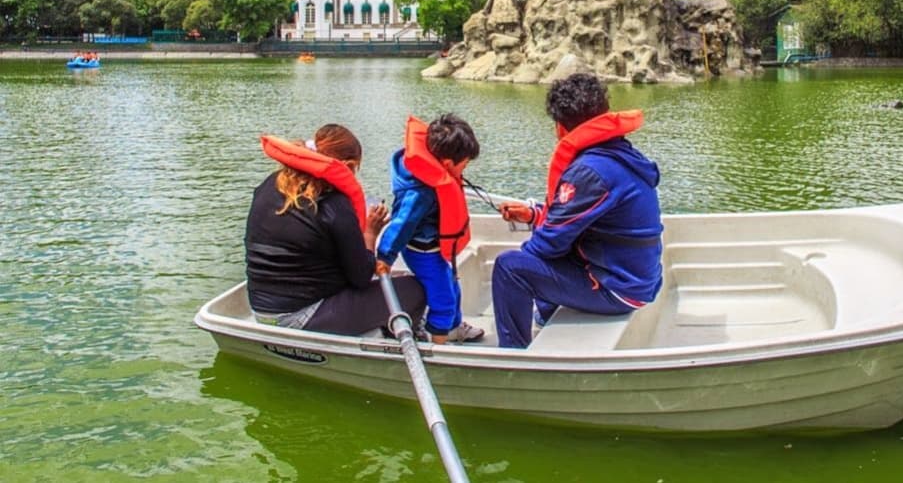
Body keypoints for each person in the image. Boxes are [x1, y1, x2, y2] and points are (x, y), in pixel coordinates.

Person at [491, 73, 664, 348]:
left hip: (618, 288)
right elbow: (577, 218)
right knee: (547, 247)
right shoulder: (619, 154)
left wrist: (526, 261)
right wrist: (534, 215)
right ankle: (547, 315)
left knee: (510, 268)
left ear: (561, 128)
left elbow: (548, 244)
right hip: (636, 278)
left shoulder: (588, 172)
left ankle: (512, 356)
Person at [245, 123, 426, 336]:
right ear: (347, 166)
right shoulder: (334, 205)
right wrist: (370, 233)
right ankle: (399, 335)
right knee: (416, 289)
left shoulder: (270, 184)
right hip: (300, 317)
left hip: (260, 309)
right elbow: (361, 278)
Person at [376, 114, 486, 344]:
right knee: (443, 301)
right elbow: (402, 224)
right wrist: (385, 256)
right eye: (464, 164)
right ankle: (438, 345)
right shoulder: (420, 192)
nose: (465, 169)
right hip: (423, 252)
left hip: (435, 248)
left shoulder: (433, 177)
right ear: (447, 163)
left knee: (453, 287)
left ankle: (454, 328)